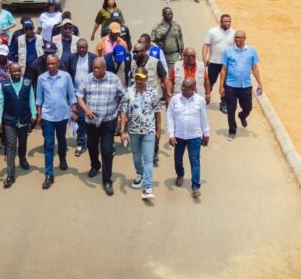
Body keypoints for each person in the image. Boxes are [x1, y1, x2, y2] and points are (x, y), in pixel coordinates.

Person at [77, 57, 125, 196]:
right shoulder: (87, 79)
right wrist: (86, 110)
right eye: (94, 68)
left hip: (108, 121)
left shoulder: (114, 79)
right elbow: (79, 96)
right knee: (92, 147)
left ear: (105, 68)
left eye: (98, 68)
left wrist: (121, 113)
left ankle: (107, 180)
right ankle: (95, 165)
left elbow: (123, 96)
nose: (95, 70)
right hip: (91, 122)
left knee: (107, 150)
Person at [36, 55, 78, 189]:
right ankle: (49, 175)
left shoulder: (66, 77)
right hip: (48, 116)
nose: (51, 66)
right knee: (49, 145)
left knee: (61, 139)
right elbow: (39, 98)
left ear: (58, 64)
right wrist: (39, 115)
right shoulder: (41, 78)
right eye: (48, 64)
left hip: (62, 115)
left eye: (53, 63)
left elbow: (72, 96)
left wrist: (74, 111)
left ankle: (62, 158)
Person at [119, 69, 161, 199]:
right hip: (133, 131)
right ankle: (140, 173)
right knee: (137, 157)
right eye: (137, 78)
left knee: (148, 159)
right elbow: (123, 112)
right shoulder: (129, 92)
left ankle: (148, 187)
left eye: (141, 78)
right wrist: (122, 131)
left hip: (149, 131)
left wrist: (158, 131)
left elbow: (158, 112)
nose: (139, 81)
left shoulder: (153, 93)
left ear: (146, 79)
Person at [167, 78, 210, 198]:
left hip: (195, 136)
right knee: (178, 159)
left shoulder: (200, 100)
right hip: (179, 136)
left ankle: (195, 186)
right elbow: (170, 117)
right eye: (182, 86)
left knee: (195, 160)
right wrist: (171, 134)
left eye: (186, 87)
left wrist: (206, 134)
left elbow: (203, 118)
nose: (183, 88)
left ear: (193, 88)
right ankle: (180, 174)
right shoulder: (175, 100)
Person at [219, 31, 264, 141]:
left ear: (245, 38)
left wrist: (260, 83)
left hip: (246, 86)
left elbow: (254, 68)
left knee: (248, 107)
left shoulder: (251, 51)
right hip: (231, 86)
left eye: (240, 37)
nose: (237, 39)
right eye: (236, 37)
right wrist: (221, 86)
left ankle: (242, 116)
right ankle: (232, 131)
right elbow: (223, 70)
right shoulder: (228, 51)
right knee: (231, 109)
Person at [0, 62, 37, 188]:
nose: (17, 73)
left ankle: (22, 159)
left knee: (23, 142)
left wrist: (34, 114)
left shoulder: (27, 83)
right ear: (9, 72)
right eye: (14, 71)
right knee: (10, 145)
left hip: (24, 119)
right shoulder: (3, 84)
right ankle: (10, 174)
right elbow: (0, 103)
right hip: (9, 120)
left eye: (19, 71)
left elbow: (31, 99)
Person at [202, 14, 235, 111]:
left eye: (229, 21)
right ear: (221, 22)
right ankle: (203, 99)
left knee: (226, 84)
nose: (228, 23)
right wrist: (205, 58)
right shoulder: (212, 31)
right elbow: (206, 45)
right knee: (209, 82)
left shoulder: (233, 33)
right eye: (226, 21)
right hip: (214, 62)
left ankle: (224, 103)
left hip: (227, 64)